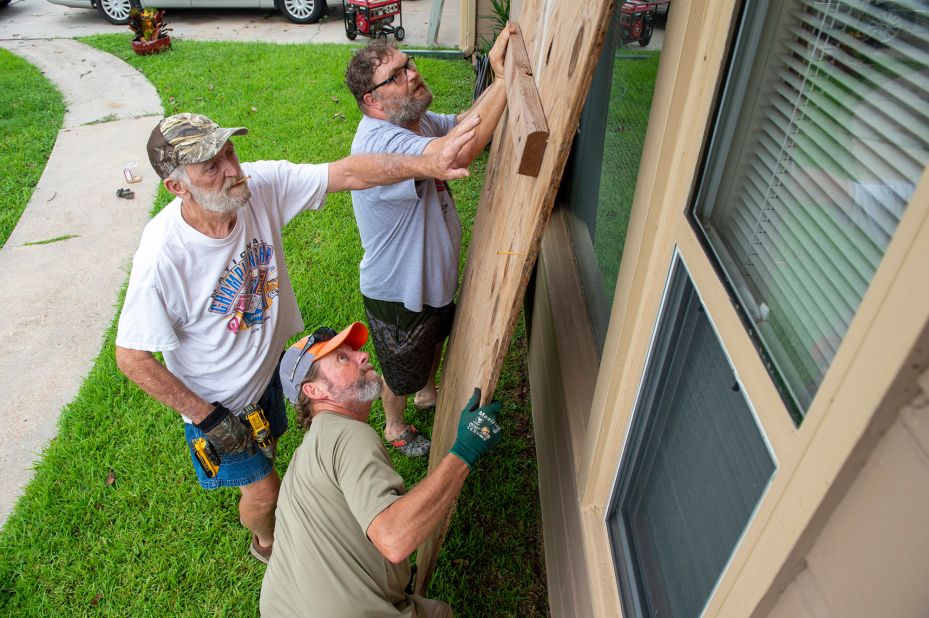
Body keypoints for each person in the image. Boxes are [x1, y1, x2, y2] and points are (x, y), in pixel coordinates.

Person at [114, 112, 480, 564]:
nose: (232, 169)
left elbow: (347, 171)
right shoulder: (162, 256)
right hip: (219, 403)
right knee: (265, 492)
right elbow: (131, 356)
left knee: (273, 449)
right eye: (211, 166)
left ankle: (270, 480)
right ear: (177, 187)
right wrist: (207, 418)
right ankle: (267, 544)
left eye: (229, 151)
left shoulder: (257, 187)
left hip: (267, 375)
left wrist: (428, 162)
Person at [343, 24, 516, 457]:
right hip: (399, 290)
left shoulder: (413, 120)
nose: (413, 74)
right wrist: (511, 81)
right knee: (400, 370)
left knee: (433, 337)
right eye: (397, 76)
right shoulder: (381, 143)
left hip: (430, 277)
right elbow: (456, 153)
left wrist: (495, 76)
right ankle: (395, 425)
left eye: (408, 64)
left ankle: (428, 393)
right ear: (372, 101)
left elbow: (462, 126)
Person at [260, 322, 503, 617]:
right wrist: (466, 448)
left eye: (354, 351)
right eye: (342, 358)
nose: (362, 356)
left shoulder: (304, 458)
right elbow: (394, 538)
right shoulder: (348, 436)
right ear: (314, 390)